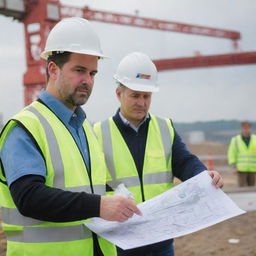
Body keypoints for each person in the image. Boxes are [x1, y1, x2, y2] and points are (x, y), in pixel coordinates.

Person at [0, 18, 141, 256]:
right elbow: (29, 197)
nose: (88, 80)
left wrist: (117, 200)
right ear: (53, 69)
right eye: (79, 70)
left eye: (93, 73)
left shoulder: (83, 127)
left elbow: (90, 186)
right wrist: (100, 206)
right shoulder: (25, 127)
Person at [94, 52, 224, 256]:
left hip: (160, 240)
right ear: (119, 94)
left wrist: (203, 175)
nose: (142, 102)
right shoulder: (97, 134)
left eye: (147, 96)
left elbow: (184, 161)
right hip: (120, 241)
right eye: (135, 95)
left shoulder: (165, 128)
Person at [228, 121, 256, 186]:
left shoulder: (255, 139)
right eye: (244, 128)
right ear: (242, 128)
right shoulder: (235, 140)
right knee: (241, 188)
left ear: (250, 128)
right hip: (241, 169)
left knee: (252, 190)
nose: (246, 130)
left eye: (247, 128)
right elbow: (232, 153)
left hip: (253, 169)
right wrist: (234, 166)